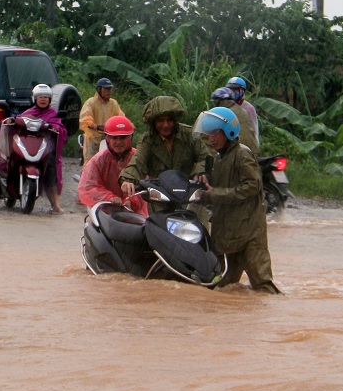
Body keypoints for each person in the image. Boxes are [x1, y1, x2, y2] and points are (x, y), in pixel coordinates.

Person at [193, 107, 279, 294]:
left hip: (249, 232)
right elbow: (218, 188)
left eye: (215, 133)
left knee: (262, 284)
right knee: (224, 284)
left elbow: (252, 186)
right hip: (230, 232)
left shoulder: (242, 154)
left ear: (228, 132)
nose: (211, 138)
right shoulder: (219, 158)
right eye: (209, 134)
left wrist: (215, 193)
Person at [120, 96, 210, 203]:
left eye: (169, 120)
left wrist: (199, 172)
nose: (166, 125)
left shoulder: (189, 134)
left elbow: (205, 157)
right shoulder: (147, 140)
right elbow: (138, 161)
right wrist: (127, 180)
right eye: (160, 121)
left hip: (187, 197)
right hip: (159, 198)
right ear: (153, 122)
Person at [78, 116, 147, 216]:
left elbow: (148, 187)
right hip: (105, 211)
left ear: (130, 138)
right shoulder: (98, 160)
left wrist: (132, 200)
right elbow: (87, 187)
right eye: (114, 138)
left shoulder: (139, 159)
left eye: (123, 137)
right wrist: (108, 197)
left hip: (136, 214)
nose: (118, 142)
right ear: (107, 138)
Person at [17, 83, 68, 214]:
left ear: (50, 99)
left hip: (46, 149)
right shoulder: (28, 113)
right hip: (28, 146)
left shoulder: (53, 114)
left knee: (52, 171)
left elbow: (60, 128)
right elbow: (18, 122)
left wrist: (53, 127)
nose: (43, 99)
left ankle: (56, 205)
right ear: (35, 98)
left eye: (46, 97)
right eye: (40, 96)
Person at [79, 77, 125, 163]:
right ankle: (86, 175)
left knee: (114, 161)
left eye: (110, 89)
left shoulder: (113, 103)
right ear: (99, 89)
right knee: (90, 162)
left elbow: (121, 117)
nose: (109, 91)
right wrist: (93, 125)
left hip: (109, 137)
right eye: (106, 89)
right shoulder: (91, 102)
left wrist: (127, 125)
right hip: (93, 139)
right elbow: (85, 117)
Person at [211, 87, 259, 157]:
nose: (214, 103)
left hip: (239, 153)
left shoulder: (227, 113)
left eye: (216, 100)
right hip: (252, 149)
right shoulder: (239, 109)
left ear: (222, 101)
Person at [226, 77, 259, 141]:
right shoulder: (225, 107)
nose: (232, 92)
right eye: (230, 89)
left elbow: (254, 130)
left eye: (235, 89)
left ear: (242, 91)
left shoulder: (249, 108)